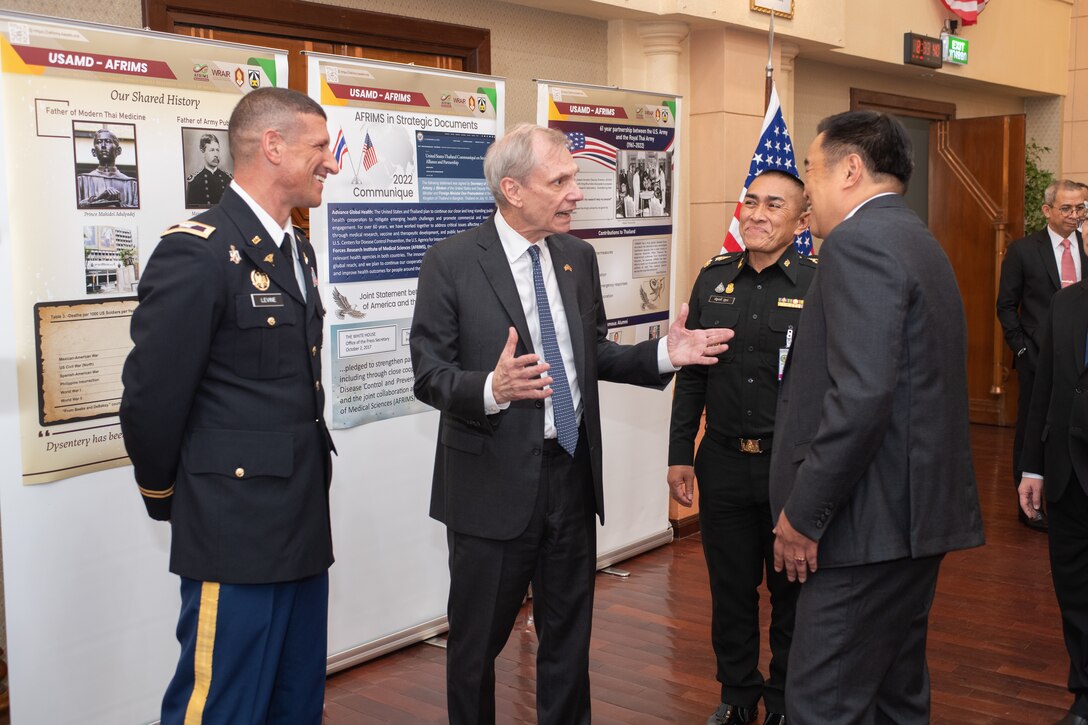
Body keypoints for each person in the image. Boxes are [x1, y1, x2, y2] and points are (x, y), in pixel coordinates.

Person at [409, 123, 733, 725]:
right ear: (512, 189)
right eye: (559, 181)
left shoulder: (576, 258)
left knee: (567, 640)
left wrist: (666, 352)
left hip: (571, 475)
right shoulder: (451, 263)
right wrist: (491, 388)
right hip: (491, 487)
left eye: (573, 179)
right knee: (478, 646)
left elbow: (593, 353)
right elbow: (428, 374)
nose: (575, 193)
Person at [119, 87, 339, 725]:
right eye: (320, 147)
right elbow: (152, 400)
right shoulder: (200, 249)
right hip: (233, 523)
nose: (332, 163)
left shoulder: (296, 248)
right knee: (220, 704)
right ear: (273, 147)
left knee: (295, 702)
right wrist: (166, 496)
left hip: (300, 517)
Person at [769, 110, 984, 724]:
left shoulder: (858, 244)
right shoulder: (917, 238)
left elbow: (861, 397)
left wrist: (804, 515)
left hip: (864, 529)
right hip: (910, 523)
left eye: (810, 169)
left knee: (823, 704)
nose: (806, 188)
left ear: (851, 169)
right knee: (895, 698)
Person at [668, 169, 815, 725]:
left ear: (801, 221)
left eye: (773, 205)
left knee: (791, 596)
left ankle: (781, 703)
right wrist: (680, 450)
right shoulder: (712, 279)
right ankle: (736, 697)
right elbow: (693, 372)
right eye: (750, 202)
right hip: (724, 461)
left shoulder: (817, 283)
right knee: (730, 595)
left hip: (790, 469)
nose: (756, 213)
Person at [998, 179, 1088, 532]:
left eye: (1080, 208)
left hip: (1080, 362)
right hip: (1037, 358)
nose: (1074, 215)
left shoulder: (1085, 246)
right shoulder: (1023, 250)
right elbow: (1006, 306)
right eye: (1066, 208)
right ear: (1047, 210)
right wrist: (1022, 350)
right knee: (1032, 428)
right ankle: (1030, 505)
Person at [1019, 278, 1088, 725]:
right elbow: (1043, 387)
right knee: (1076, 593)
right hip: (1067, 475)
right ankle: (1085, 692)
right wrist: (1033, 468)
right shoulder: (1066, 303)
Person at [76, 128, 139, 208]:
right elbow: (74, 208)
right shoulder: (81, 181)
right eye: (99, 142)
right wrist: (97, 199)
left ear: (118, 151)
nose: (103, 146)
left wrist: (117, 206)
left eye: (108, 141)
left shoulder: (132, 184)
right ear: (94, 152)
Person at [186, 132, 233, 208]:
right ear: (202, 153)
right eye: (212, 150)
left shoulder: (228, 179)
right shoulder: (195, 181)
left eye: (217, 150)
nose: (216, 154)